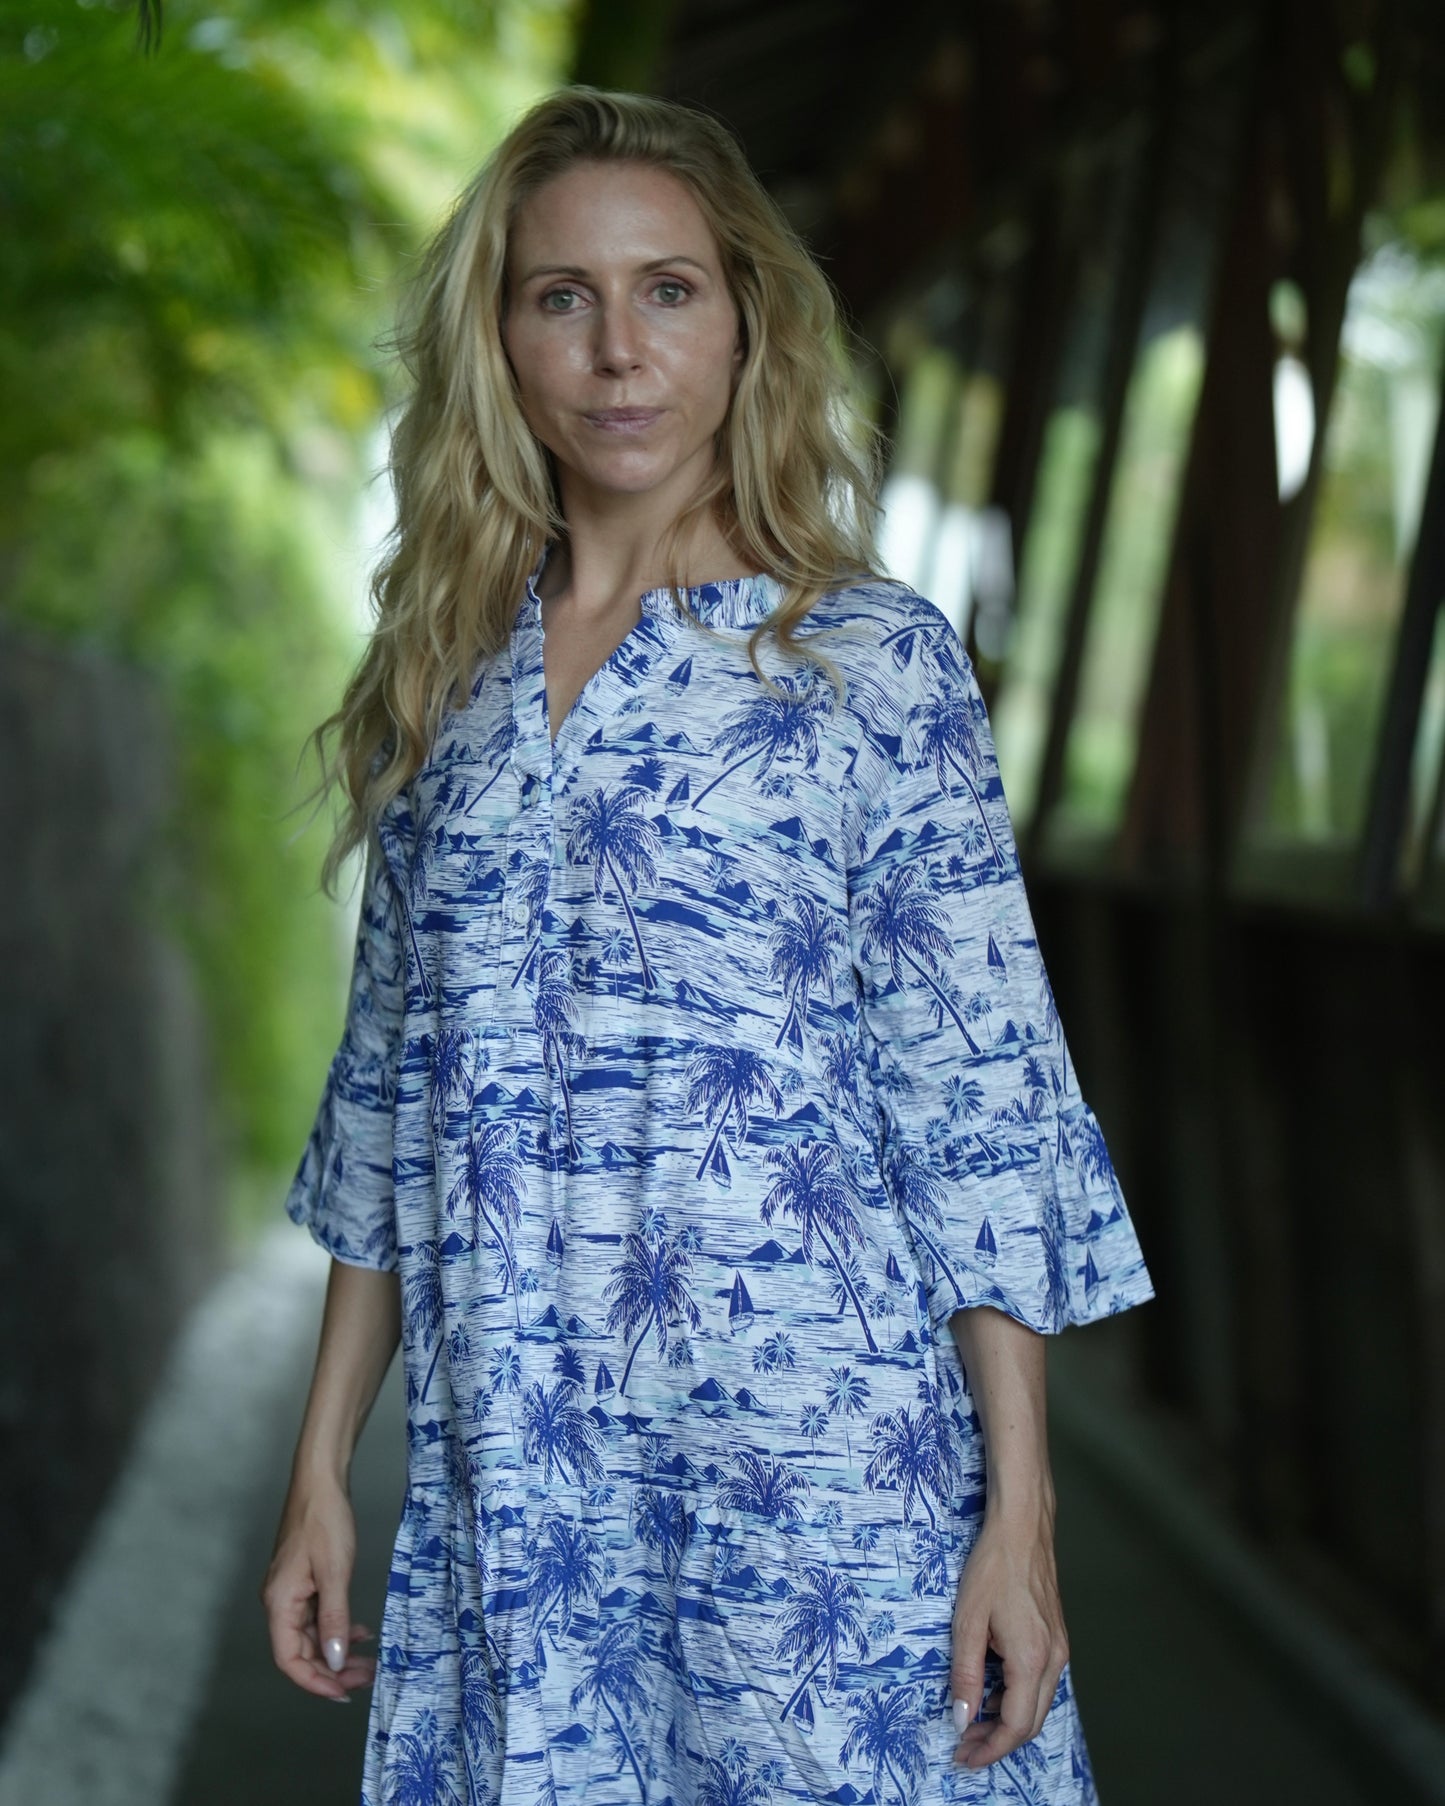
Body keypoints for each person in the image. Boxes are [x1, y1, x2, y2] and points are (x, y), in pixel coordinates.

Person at [261, 83, 1156, 1806]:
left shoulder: (869, 664)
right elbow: (387, 1111)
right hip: (520, 1485)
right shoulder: (444, 680)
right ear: (498, 342)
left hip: (824, 1486)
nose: (619, 351)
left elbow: (978, 1112)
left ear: (747, 320)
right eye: (562, 297)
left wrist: (1019, 1519)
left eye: (667, 290)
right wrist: (319, 1472)